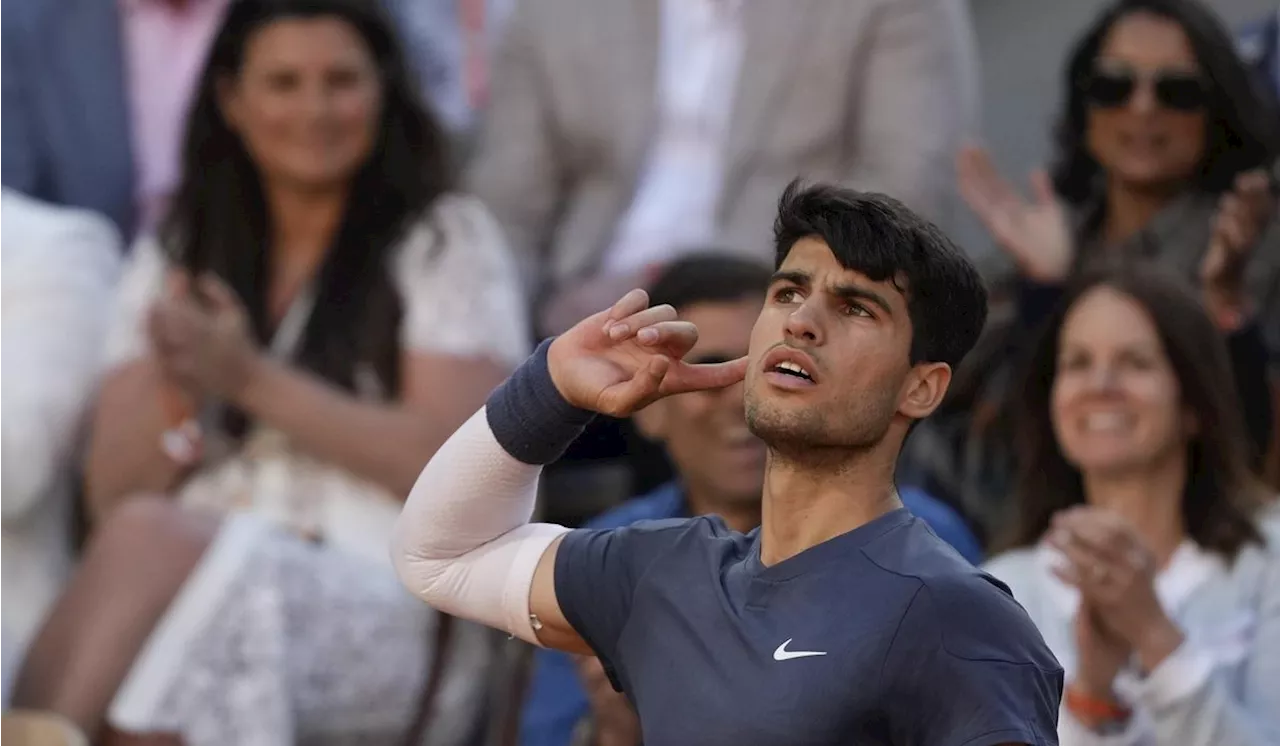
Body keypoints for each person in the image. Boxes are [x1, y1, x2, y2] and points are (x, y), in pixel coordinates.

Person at [11, 0, 524, 743]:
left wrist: (248, 380)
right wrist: (182, 385)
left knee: (158, 577)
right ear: (231, 100)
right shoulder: (180, 246)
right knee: (148, 675)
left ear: (383, 90)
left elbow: (461, 471)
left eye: (340, 80)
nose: (313, 109)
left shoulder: (445, 240)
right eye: (283, 83)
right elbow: (112, 494)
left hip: (383, 593)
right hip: (183, 575)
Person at [393, 181, 1064, 745]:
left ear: (921, 387)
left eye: (856, 307)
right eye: (788, 292)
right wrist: (551, 387)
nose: (802, 321)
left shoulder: (960, 620)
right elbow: (440, 557)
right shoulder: (657, 573)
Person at [519, 253, 987, 746]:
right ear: (647, 409)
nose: (743, 396)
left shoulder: (925, 533)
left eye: (772, 363)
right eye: (711, 367)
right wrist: (617, 732)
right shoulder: (596, 552)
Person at [983, 264, 1280, 745]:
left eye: (1136, 363)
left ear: (1194, 406)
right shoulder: (1003, 593)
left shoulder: (1268, 559)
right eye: (1077, 362)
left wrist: (1158, 642)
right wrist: (1092, 698)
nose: (1100, 385)